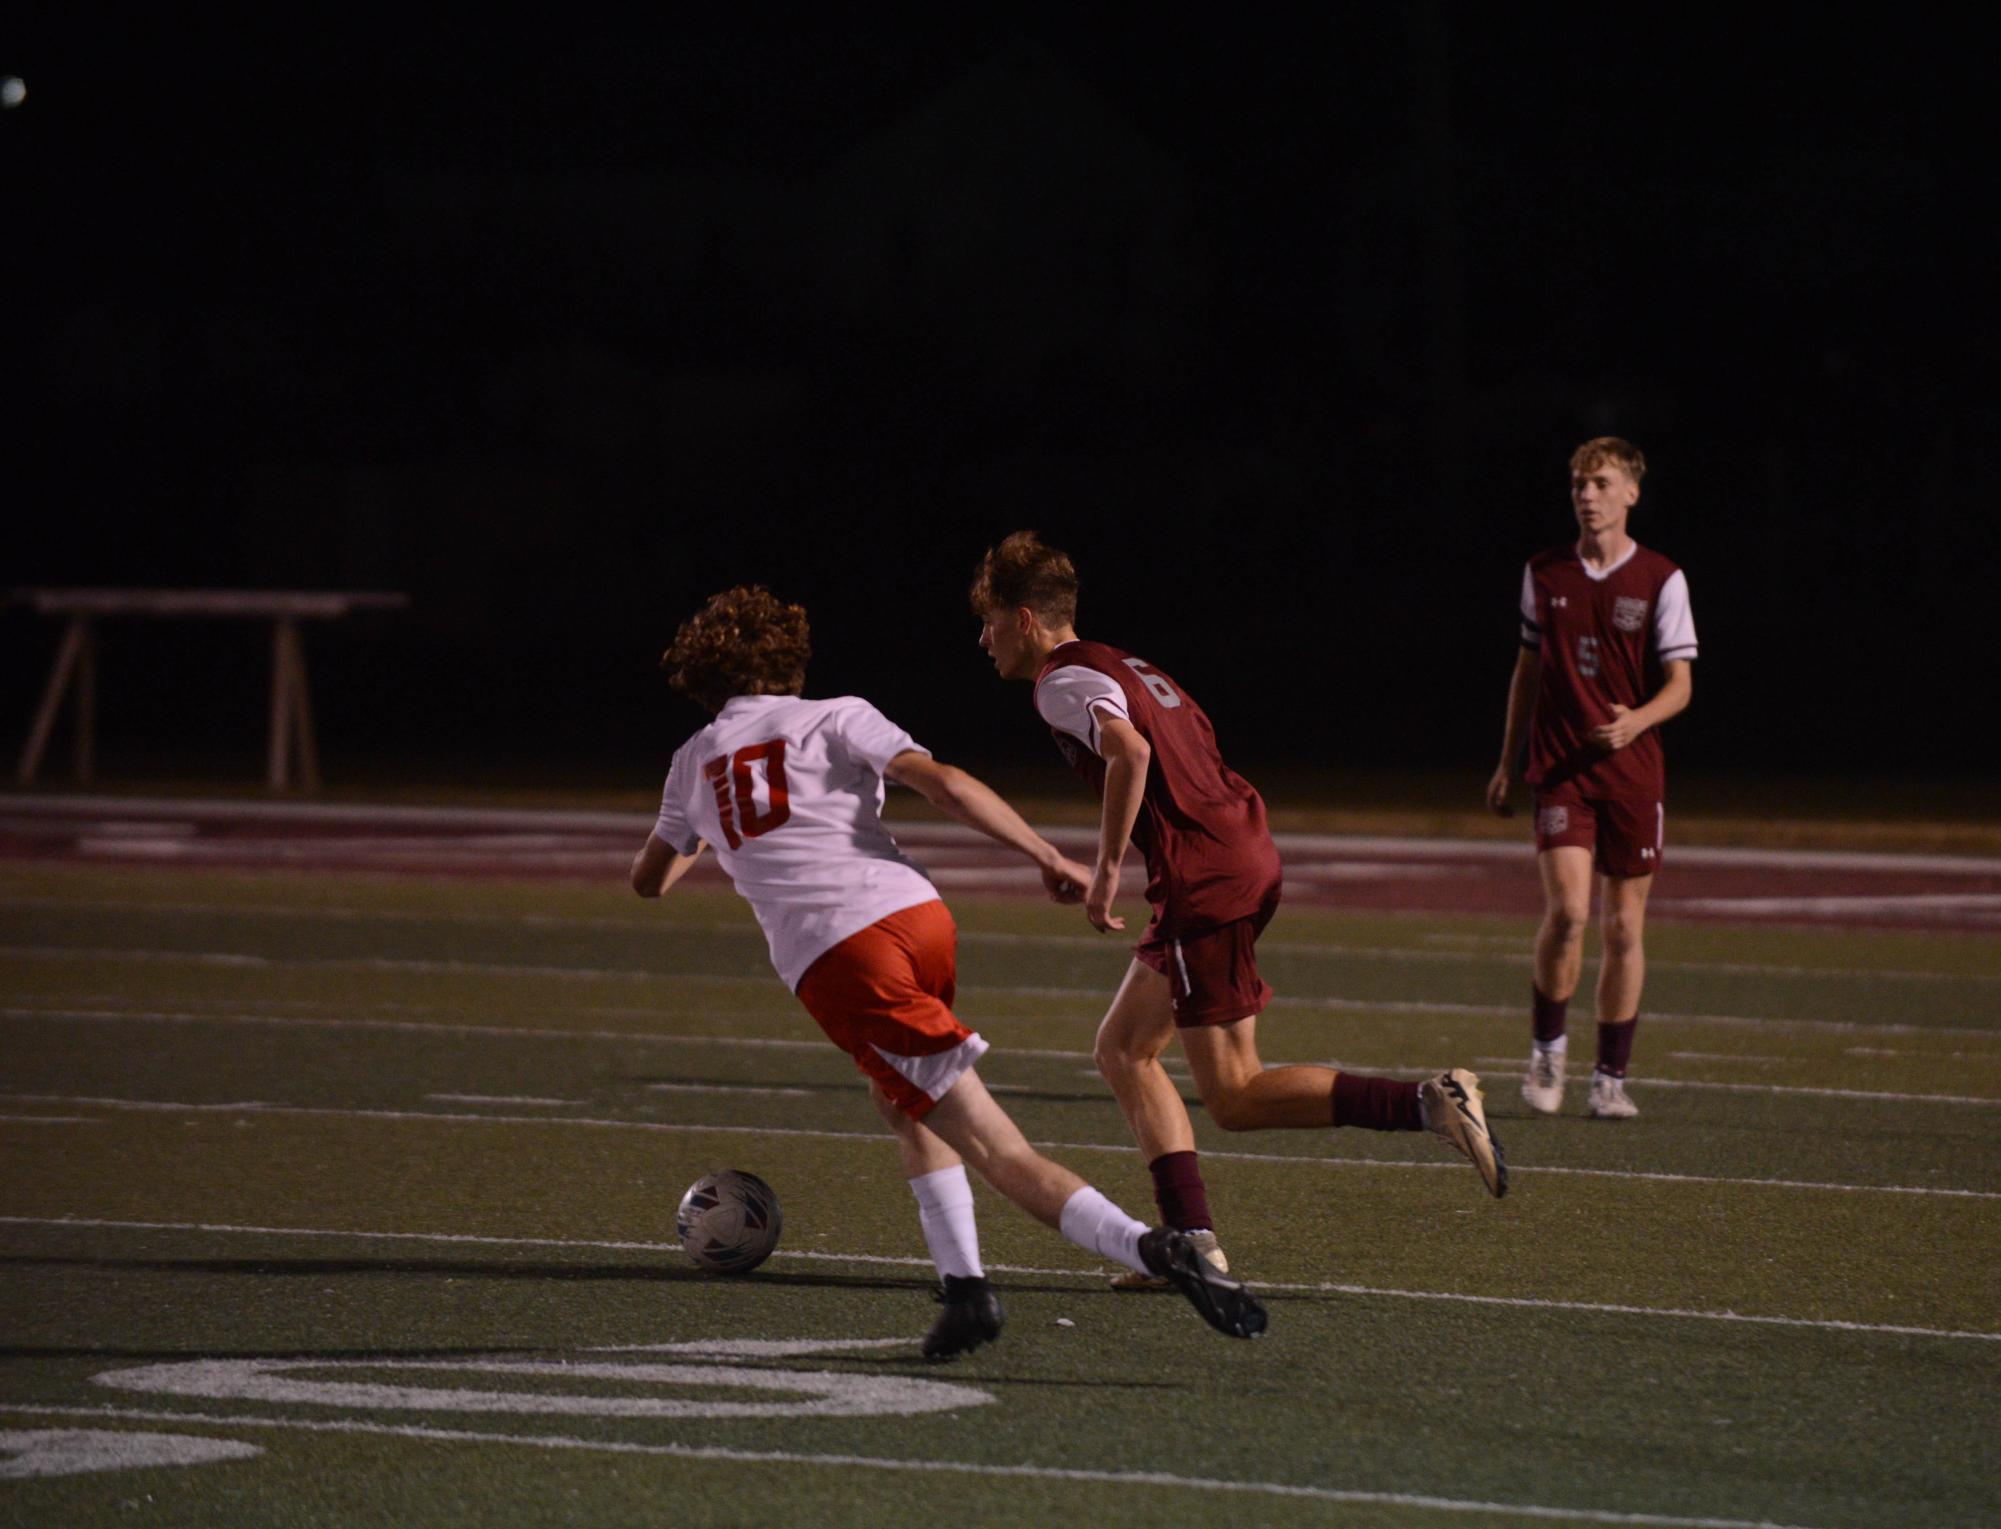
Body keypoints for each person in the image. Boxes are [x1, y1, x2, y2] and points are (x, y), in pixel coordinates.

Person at [631, 584, 1267, 1358]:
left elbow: (651, 879)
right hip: (917, 915)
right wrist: (1045, 855)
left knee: (995, 1145)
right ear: (788, 661)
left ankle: (1155, 1248)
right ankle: (963, 1288)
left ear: (701, 677)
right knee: (902, 1100)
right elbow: (946, 784)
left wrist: (712, 829)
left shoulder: (692, 761)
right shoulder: (838, 711)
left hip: (840, 952)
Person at [969, 533, 1507, 1289]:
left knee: (1233, 1093)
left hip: (1205, 873)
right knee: (1123, 1049)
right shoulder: (1130, 663)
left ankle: (1425, 1102)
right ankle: (1191, 1239)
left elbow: (1130, 753)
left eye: (988, 620)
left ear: (1024, 618)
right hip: (1234, 849)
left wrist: (1104, 871)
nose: (981, 638)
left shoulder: (1060, 681)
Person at [1486, 436, 1698, 1120]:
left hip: (1633, 773)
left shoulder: (1661, 577)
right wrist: (1504, 760)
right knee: (1570, 912)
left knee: (1624, 929)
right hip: (1561, 770)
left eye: (1600, 482)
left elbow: (1680, 686)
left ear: (1630, 492)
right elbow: (1526, 671)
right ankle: (1547, 1048)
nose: (1586, 493)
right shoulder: (1543, 572)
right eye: (1578, 482)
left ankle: (1609, 1076)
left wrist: (1634, 721)